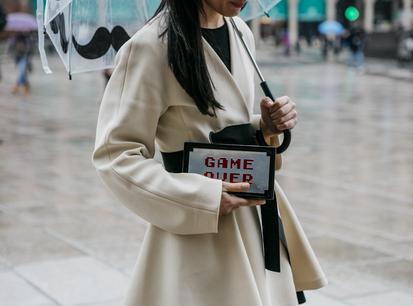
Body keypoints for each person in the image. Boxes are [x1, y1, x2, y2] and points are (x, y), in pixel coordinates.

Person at [92, 1, 327, 306]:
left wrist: (264, 127)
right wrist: (200, 196)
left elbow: (226, 125)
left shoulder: (241, 31)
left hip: (255, 217)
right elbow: (115, 155)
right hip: (197, 228)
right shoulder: (150, 46)